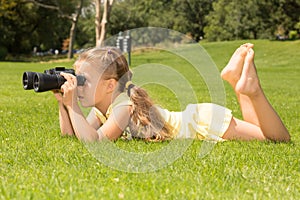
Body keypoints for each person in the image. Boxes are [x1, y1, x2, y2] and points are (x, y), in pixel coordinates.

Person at [53, 44, 290, 142]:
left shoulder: (123, 106)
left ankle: (252, 91)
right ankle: (237, 82)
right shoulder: (101, 109)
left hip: (202, 122)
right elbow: (72, 136)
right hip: (197, 119)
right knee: (262, 133)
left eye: (84, 80)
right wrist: (63, 104)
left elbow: (95, 142)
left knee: (277, 139)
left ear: (109, 85)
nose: (79, 85)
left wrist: (73, 105)